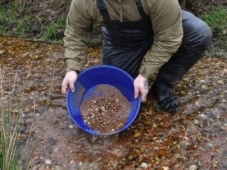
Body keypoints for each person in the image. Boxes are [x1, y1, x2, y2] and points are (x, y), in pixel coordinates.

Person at [61, 0, 212, 113]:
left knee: (199, 33)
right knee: (113, 95)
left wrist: (144, 74)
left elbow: (169, 39)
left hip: (164, 29)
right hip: (121, 45)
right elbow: (75, 33)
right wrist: (73, 68)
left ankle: (162, 86)